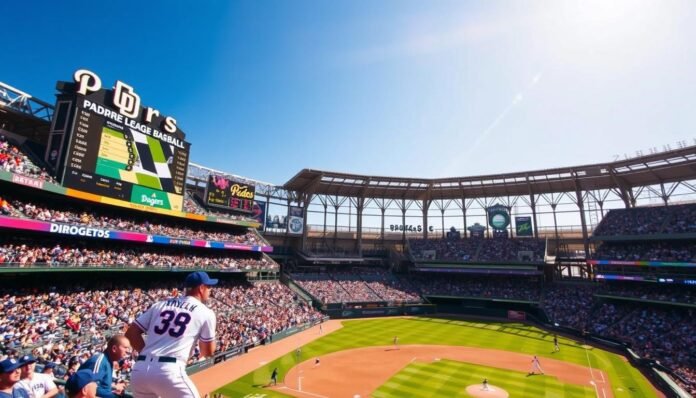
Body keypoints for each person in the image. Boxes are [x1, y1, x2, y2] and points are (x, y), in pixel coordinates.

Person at [125, 271, 218, 398]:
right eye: (208, 286)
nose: (210, 290)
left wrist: (147, 353)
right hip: (169, 370)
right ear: (201, 288)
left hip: (140, 370)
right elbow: (208, 352)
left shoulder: (160, 305)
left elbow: (131, 333)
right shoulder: (205, 312)